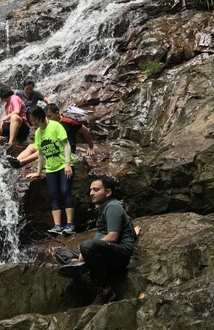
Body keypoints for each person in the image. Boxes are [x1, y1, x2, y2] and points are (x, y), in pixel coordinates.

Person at [55, 176, 139, 306]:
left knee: (87, 246)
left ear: (108, 192)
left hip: (120, 255)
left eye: (96, 190)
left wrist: (85, 250)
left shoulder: (112, 207)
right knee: (61, 252)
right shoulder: (103, 207)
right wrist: (134, 232)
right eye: (91, 190)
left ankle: (106, 290)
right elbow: (125, 219)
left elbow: (113, 237)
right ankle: (79, 264)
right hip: (104, 251)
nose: (91, 193)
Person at [25, 106, 76, 235]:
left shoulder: (55, 126)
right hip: (51, 168)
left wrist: (68, 164)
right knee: (53, 195)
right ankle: (57, 225)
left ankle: (70, 224)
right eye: (31, 121)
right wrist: (39, 171)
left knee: (65, 191)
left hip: (63, 165)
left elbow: (66, 145)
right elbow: (41, 154)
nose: (33, 123)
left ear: (41, 116)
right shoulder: (38, 133)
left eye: (34, 119)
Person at [7, 103, 94, 168]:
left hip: (66, 148)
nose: (48, 119)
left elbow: (85, 131)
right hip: (53, 146)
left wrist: (91, 147)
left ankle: (21, 162)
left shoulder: (68, 122)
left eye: (50, 116)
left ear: (57, 113)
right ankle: (15, 161)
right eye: (46, 117)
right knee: (31, 146)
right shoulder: (48, 124)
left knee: (43, 150)